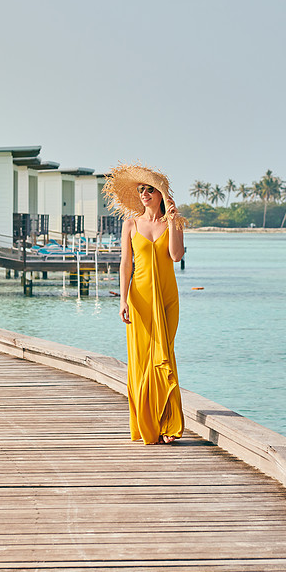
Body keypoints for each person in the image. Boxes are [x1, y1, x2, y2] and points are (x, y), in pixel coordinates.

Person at [103, 163, 188, 445]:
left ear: (161, 194)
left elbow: (176, 257)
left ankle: (169, 424)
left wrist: (174, 223)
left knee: (164, 355)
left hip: (165, 297)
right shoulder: (130, 224)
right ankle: (147, 425)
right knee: (140, 360)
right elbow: (125, 264)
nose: (144, 194)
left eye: (149, 189)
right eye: (141, 190)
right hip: (138, 298)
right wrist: (123, 300)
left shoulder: (173, 223)